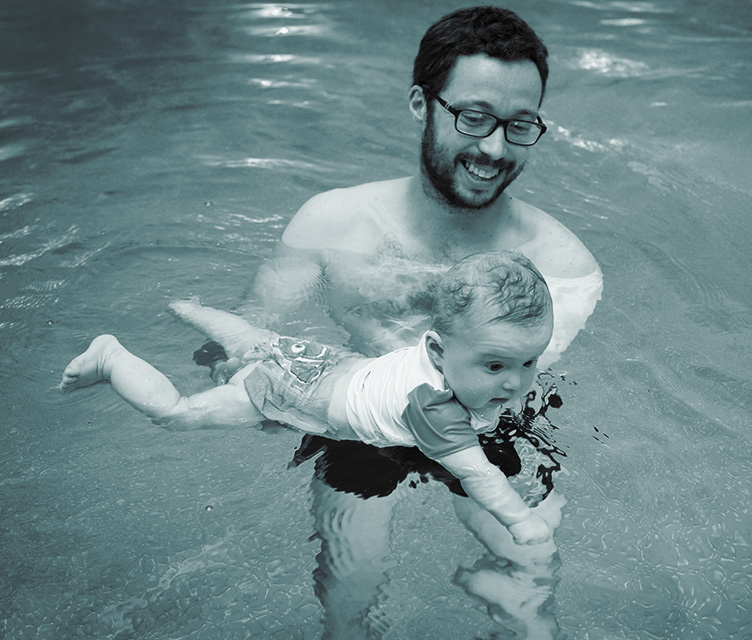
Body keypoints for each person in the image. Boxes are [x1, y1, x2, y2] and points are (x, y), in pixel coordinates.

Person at [199, 6, 602, 637]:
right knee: (349, 595)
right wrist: (249, 380)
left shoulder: (561, 263)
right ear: (422, 103)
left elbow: (523, 384)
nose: (494, 149)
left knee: (532, 585)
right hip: (359, 419)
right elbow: (251, 329)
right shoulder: (332, 225)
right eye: (473, 117)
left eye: (519, 126)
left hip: (491, 425)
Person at [62, 252, 556, 545]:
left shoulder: (441, 353)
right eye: (496, 366)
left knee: (253, 337)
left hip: (321, 362)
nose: (516, 383)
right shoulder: (436, 408)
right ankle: (111, 358)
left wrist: (492, 376)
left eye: (529, 362)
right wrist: (520, 519)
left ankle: (191, 310)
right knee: (178, 414)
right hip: (290, 394)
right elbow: (479, 473)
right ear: (437, 351)